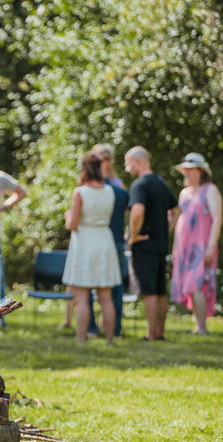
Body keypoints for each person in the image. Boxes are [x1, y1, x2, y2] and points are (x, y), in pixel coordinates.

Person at [69, 145, 131, 337]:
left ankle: (81, 338)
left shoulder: (80, 192)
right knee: (106, 297)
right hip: (105, 240)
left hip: (85, 241)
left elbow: (72, 223)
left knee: (82, 295)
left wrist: (67, 217)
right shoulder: (112, 191)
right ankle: (111, 339)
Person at [125, 146, 180, 341]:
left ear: (138, 162)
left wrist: (133, 236)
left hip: (145, 245)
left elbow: (137, 212)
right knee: (160, 290)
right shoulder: (161, 183)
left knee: (148, 291)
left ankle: (150, 334)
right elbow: (176, 209)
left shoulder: (139, 185)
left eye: (128, 163)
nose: (126, 168)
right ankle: (160, 333)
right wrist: (168, 229)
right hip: (161, 245)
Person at [171, 153, 222, 335]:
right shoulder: (184, 193)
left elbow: (217, 219)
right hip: (185, 247)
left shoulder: (210, 190)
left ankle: (202, 327)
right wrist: (176, 248)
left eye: (191, 170)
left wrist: (210, 246)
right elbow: (179, 221)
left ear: (201, 171)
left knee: (196, 284)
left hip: (201, 246)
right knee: (190, 286)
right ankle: (198, 325)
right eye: (186, 171)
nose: (188, 174)